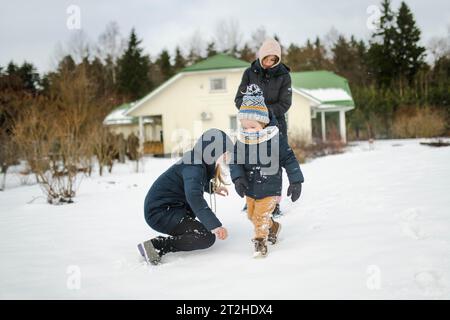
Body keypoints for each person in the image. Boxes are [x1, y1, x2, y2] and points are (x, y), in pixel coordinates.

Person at [138, 129, 233, 265]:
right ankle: (155, 246)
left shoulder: (195, 162)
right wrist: (215, 226)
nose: (225, 158)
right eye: (223, 154)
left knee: (198, 224)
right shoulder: (194, 166)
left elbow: (192, 182)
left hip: (170, 207)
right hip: (160, 212)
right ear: (212, 153)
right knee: (205, 237)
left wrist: (212, 188)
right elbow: (194, 197)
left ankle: (177, 236)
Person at [230, 84, 304, 258]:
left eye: (252, 127)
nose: (248, 130)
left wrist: (296, 180)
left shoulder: (275, 138)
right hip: (250, 186)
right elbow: (235, 161)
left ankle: (260, 242)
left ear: (263, 123)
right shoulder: (242, 140)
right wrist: (238, 178)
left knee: (261, 216)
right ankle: (274, 227)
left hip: (270, 186)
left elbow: (289, 158)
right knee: (251, 215)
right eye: (245, 126)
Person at [235, 38, 292, 216]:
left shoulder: (284, 76)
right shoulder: (249, 73)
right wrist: (253, 114)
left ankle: (274, 204)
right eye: (267, 59)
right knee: (250, 162)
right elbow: (239, 99)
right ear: (261, 57)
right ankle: (251, 199)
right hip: (251, 125)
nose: (269, 63)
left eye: (274, 60)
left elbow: (285, 104)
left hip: (276, 125)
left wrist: (264, 113)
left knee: (274, 162)